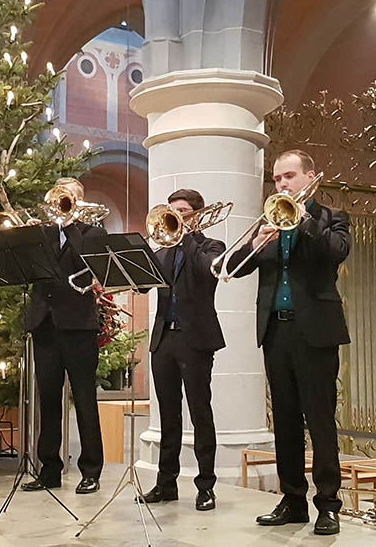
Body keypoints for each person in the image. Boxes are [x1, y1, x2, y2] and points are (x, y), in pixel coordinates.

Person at [227, 149, 350, 536]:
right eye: (277, 179)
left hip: (315, 331)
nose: (281, 184)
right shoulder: (267, 221)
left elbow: (336, 253)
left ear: (310, 177)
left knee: (320, 421)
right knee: (284, 421)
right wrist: (256, 243)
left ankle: (328, 505)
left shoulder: (332, 218)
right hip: (276, 332)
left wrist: (302, 219)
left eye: (289, 177)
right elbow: (233, 268)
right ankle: (293, 500)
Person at [137, 189, 224, 511]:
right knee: (168, 416)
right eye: (173, 211)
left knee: (201, 413)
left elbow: (207, 272)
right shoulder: (162, 253)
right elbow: (142, 284)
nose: (177, 216)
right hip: (164, 340)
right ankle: (165, 483)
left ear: (196, 215)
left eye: (183, 211)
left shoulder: (210, 247)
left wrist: (187, 235)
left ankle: (205, 487)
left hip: (196, 339)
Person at [21, 177, 106, 495]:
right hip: (45, 323)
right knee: (49, 400)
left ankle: (91, 470)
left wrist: (69, 222)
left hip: (78, 325)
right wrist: (29, 236)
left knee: (84, 399)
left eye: (70, 198)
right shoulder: (43, 233)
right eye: (60, 197)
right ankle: (49, 469)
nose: (63, 203)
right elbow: (29, 268)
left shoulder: (92, 233)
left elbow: (87, 261)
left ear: (81, 203)